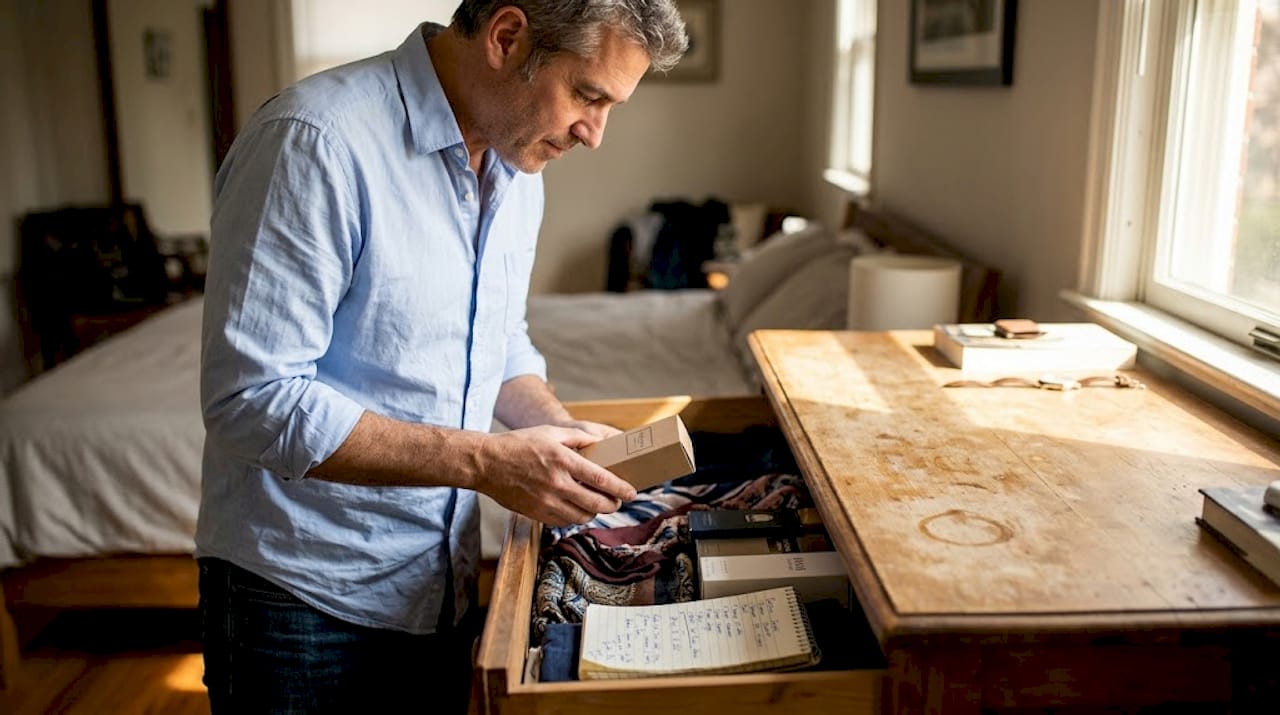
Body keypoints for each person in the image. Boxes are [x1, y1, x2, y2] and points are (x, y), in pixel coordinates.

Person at [195, 1, 687, 711]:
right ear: (507, 37)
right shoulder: (313, 141)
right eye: (587, 95)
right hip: (301, 600)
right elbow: (251, 399)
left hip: (440, 584)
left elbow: (498, 339)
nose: (595, 133)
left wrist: (558, 434)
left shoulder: (519, 163)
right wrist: (488, 462)